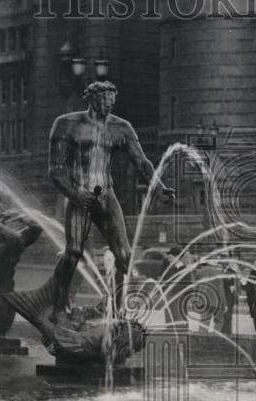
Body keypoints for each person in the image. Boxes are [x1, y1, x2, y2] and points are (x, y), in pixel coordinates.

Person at [48, 80, 174, 317]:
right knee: (74, 252)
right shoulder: (67, 124)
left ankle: (115, 310)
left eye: (112, 100)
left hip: (106, 195)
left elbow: (142, 162)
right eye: (104, 99)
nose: (108, 104)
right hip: (78, 196)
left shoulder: (122, 128)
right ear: (91, 98)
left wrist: (158, 187)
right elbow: (55, 170)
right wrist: (75, 194)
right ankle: (58, 304)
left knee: (125, 256)